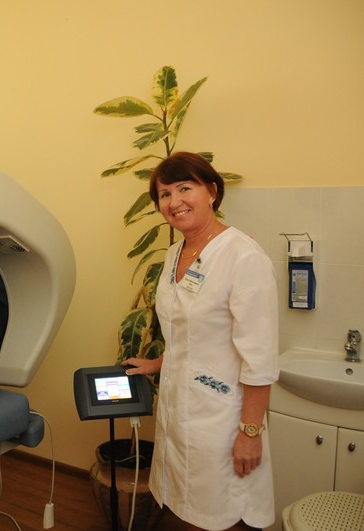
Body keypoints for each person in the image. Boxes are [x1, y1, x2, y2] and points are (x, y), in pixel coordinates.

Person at [122, 152, 279, 531]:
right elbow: (188, 333)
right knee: (183, 507)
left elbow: (259, 358)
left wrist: (250, 432)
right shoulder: (175, 253)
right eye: (164, 194)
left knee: (224, 513)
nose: (174, 201)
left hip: (223, 419)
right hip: (178, 411)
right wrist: (158, 363)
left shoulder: (243, 256)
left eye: (184, 188)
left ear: (211, 192)